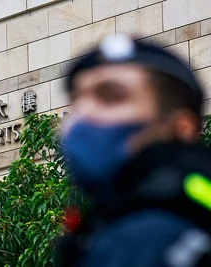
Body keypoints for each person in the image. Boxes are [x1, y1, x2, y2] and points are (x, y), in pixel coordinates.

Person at [58, 34, 211, 267]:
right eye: (76, 100)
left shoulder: (148, 239)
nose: (83, 115)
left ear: (181, 127)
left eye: (111, 96)